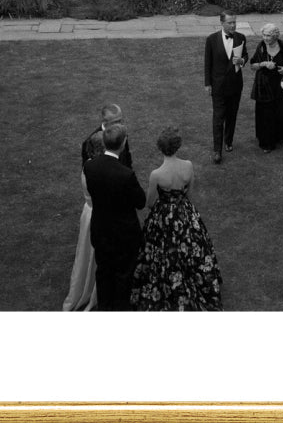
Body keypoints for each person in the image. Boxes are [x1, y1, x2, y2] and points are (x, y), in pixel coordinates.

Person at [129, 127, 223, 311]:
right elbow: (191, 192)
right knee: (192, 248)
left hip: (163, 217)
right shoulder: (188, 165)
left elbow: (149, 202)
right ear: (177, 146)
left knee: (161, 253)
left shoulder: (156, 174)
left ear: (160, 148)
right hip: (185, 212)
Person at [83, 123, 146, 311]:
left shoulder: (90, 167)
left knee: (103, 272)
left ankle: (104, 307)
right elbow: (141, 202)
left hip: (100, 230)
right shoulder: (125, 175)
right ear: (123, 143)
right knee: (124, 276)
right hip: (124, 235)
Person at [62, 129, 103, 311]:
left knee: (86, 251)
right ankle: (93, 289)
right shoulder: (96, 171)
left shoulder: (87, 166)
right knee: (94, 252)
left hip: (88, 212)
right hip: (97, 213)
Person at [203, 11, 248, 164]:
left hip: (235, 85)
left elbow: (246, 56)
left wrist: (242, 60)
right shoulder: (211, 39)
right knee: (218, 118)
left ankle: (228, 141)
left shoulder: (241, 38)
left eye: (234, 22)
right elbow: (207, 63)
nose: (233, 25)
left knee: (232, 115)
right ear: (222, 23)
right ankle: (217, 150)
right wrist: (207, 83)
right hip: (218, 86)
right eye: (230, 22)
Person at [249, 23, 283, 153]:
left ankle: (282, 136)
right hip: (264, 86)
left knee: (282, 111)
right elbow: (252, 65)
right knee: (266, 113)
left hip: (281, 85)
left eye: (268, 35)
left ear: (275, 36)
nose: (265, 38)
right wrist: (264, 63)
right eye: (264, 35)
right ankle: (267, 143)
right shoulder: (261, 46)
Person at [82, 103, 131, 168]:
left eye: (120, 121)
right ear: (104, 122)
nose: (119, 125)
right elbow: (88, 169)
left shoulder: (122, 132)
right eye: (116, 122)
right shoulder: (89, 142)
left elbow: (126, 156)